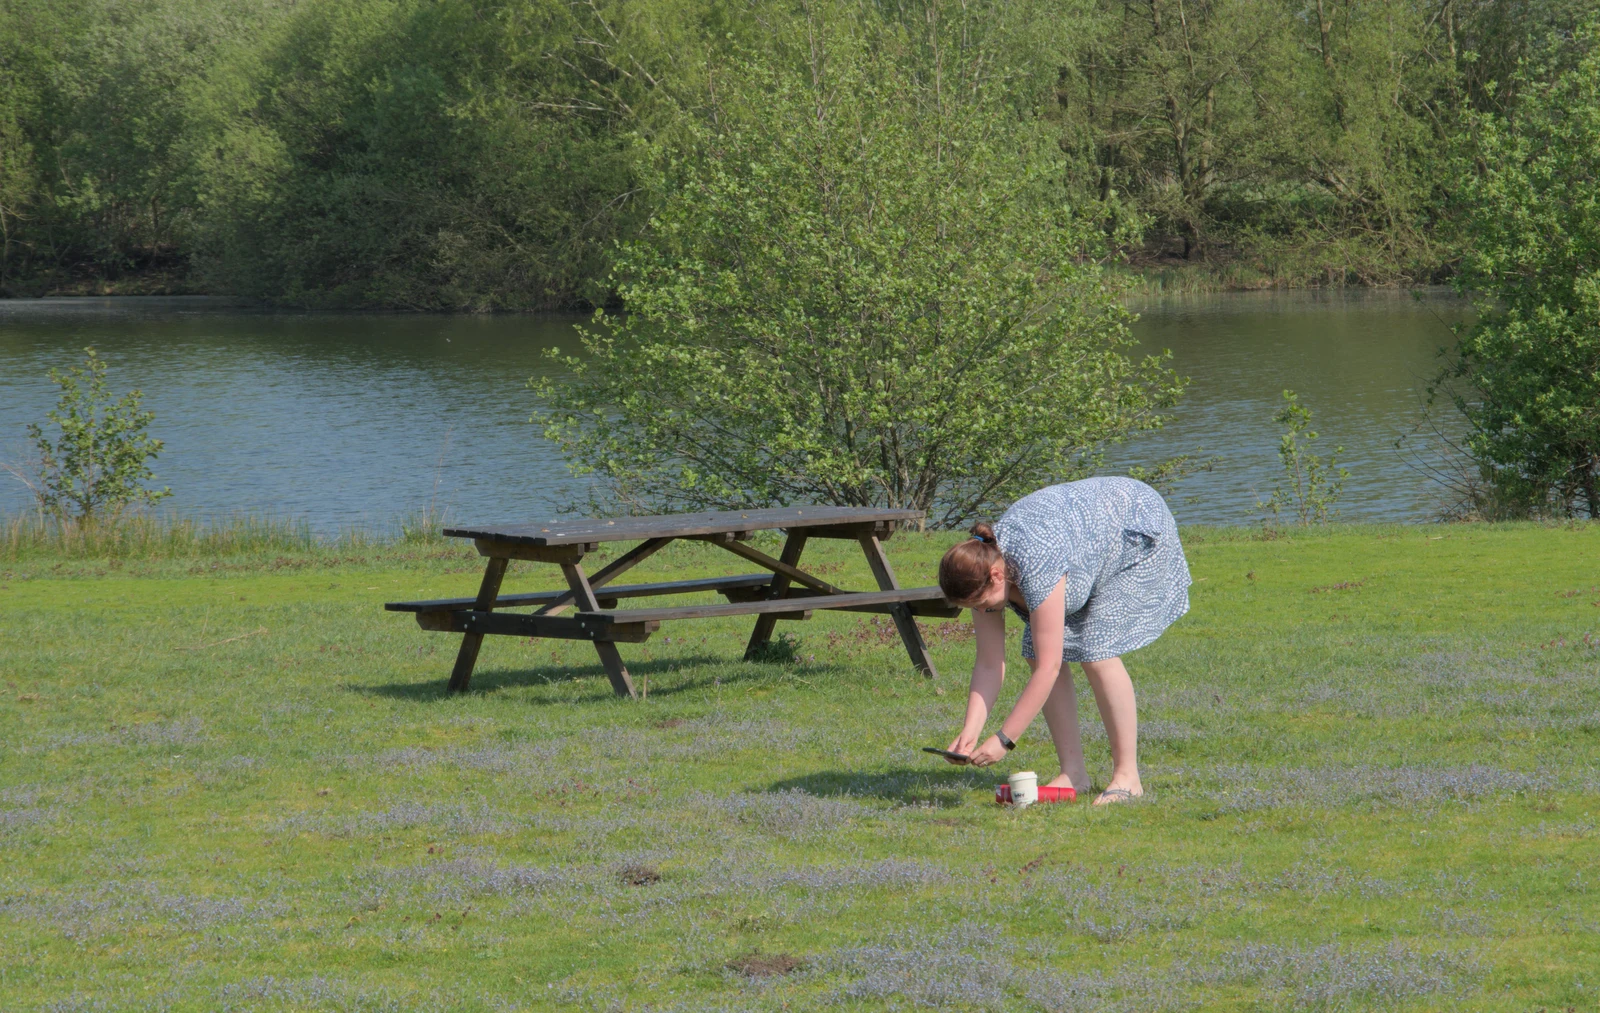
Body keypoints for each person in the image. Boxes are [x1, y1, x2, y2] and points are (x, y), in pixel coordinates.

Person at [937, 477, 1192, 805]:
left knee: (1096, 651)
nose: (983, 612)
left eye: (982, 604)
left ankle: (1128, 777)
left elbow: (1050, 667)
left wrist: (1004, 740)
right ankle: (1074, 774)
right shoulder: (980, 569)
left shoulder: (1036, 562)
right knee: (1034, 649)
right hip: (1080, 541)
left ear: (998, 576)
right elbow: (989, 662)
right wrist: (970, 732)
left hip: (1132, 524)